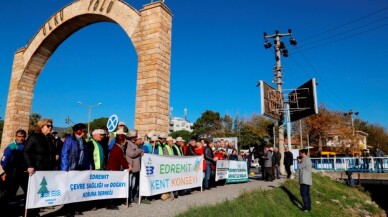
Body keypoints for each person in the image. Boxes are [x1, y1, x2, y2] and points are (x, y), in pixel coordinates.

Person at [24, 119, 57, 217]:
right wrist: (30, 165)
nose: (50, 127)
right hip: (36, 170)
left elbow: (52, 152)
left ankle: (36, 213)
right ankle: (30, 214)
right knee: (33, 193)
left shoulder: (50, 138)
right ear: (41, 126)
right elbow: (26, 151)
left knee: (41, 194)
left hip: (47, 170)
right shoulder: (34, 137)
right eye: (48, 125)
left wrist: (55, 156)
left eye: (51, 126)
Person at [61, 123, 92, 217]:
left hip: (81, 167)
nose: (84, 132)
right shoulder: (70, 140)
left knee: (79, 188)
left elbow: (87, 154)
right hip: (72, 167)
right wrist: (64, 168)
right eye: (82, 130)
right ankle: (68, 210)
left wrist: (90, 165)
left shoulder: (83, 141)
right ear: (77, 131)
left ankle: (77, 208)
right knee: (70, 189)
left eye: (84, 130)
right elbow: (64, 154)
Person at [106, 129, 132, 209]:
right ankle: (110, 203)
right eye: (124, 140)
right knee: (111, 187)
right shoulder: (117, 148)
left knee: (113, 186)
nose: (126, 142)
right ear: (121, 140)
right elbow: (121, 159)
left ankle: (112, 202)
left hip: (114, 169)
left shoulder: (118, 147)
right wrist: (128, 166)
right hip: (112, 169)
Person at [0, 129, 28, 205]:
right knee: (9, 193)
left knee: (28, 192)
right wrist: (9, 171)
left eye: (23, 136)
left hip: (24, 173)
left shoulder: (27, 146)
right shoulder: (11, 147)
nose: (21, 138)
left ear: (25, 137)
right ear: (16, 136)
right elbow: (4, 161)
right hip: (13, 173)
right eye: (19, 136)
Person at [126, 129, 143, 204]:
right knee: (129, 184)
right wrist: (139, 151)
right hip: (131, 167)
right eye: (135, 135)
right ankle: (128, 199)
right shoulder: (128, 143)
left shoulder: (134, 144)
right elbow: (131, 154)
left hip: (135, 168)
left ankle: (131, 198)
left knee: (133, 185)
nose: (136, 136)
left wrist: (140, 152)